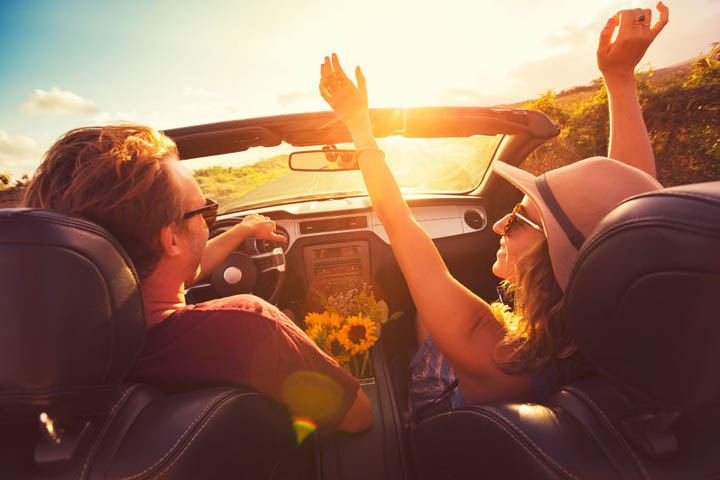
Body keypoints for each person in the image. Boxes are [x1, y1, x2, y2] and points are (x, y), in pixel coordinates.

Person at [318, 3, 669, 421]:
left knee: (427, 323)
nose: (501, 222)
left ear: (555, 258)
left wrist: (359, 124)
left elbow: (398, 220)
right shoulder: (623, 326)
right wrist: (620, 77)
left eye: (519, 218)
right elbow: (631, 204)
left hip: (446, 422)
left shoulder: (490, 349)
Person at [22, 125, 372, 433]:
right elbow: (358, 416)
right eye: (206, 212)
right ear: (171, 239)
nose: (209, 222)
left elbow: (172, 271)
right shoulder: (246, 324)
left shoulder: (40, 351)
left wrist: (243, 230)